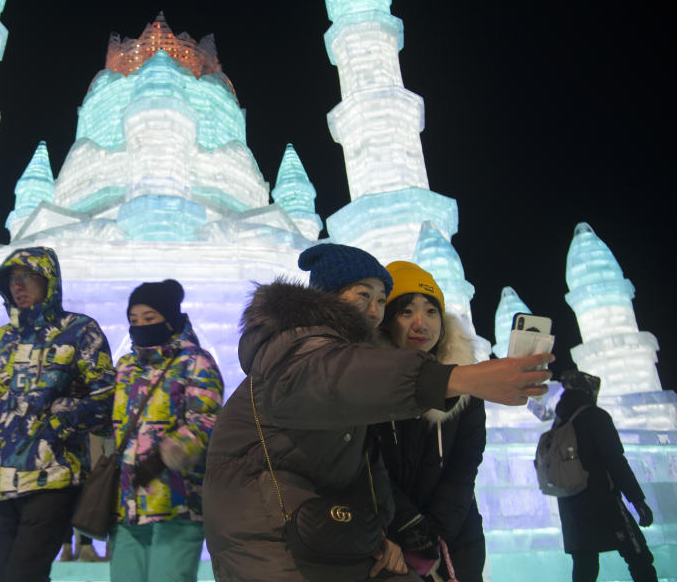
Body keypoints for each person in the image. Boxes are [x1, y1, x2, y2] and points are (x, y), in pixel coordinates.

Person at [203, 243, 553, 582]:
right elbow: (338, 376)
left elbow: (371, 469)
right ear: (327, 294)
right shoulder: (298, 349)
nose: (373, 310)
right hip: (269, 532)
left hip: (328, 529)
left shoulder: (366, 373)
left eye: (381, 300)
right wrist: (459, 378)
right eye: (363, 295)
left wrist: (382, 532)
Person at [0, 247, 116, 582]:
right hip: (3, 480)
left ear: (47, 280)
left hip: (55, 476)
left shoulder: (78, 330)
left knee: (24, 576)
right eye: (11, 280)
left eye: (27, 277)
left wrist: (62, 420)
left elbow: (107, 394)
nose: (18, 286)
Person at [371, 261, 486, 581]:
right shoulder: (368, 386)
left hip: (457, 538)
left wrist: (437, 530)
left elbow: (466, 464)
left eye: (431, 311)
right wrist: (408, 525)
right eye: (406, 312)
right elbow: (367, 463)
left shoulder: (467, 385)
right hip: (390, 540)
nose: (421, 323)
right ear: (387, 322)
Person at [110, 279, 224, 582]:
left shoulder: (196, 362)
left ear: (170, 319)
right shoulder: (125, 367)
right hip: (128, 504)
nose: (141, 326)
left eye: (150, 318)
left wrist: (165, 456)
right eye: (134, 320)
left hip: (177, 502)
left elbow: (206, 420)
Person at [552, 371, 657, 582]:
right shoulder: (595, 416)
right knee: (638, 556)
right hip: (603, 499)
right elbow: (615, 461)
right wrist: (637, 501)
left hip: (571, 503)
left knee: (585, 564)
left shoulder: (560, 422)